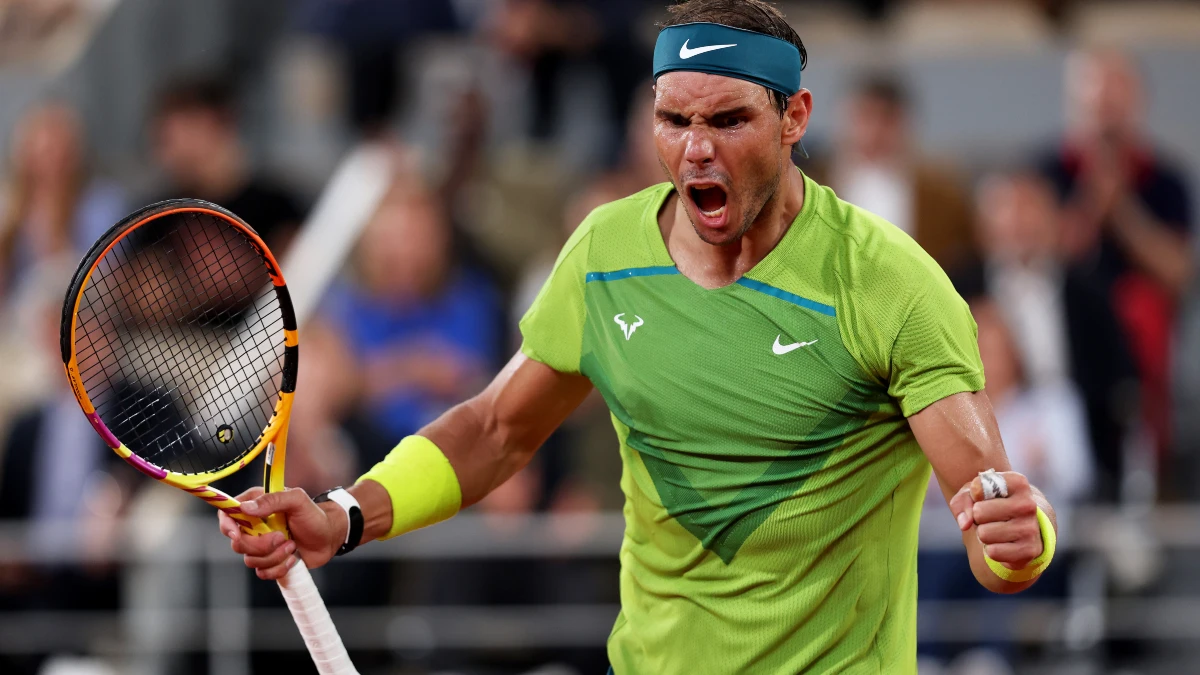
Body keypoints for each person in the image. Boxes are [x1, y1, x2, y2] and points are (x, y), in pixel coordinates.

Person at [220, 2, 1059, 673]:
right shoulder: (604, 248)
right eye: (673, 120)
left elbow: (991, 511)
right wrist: (344, 513)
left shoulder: (891, 283)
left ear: (794, 116)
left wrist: (1024, 542)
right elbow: (495, 428)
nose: (695, 150)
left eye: (728, 120)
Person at [1039, 48, 1193, 466]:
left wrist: (1122, 210)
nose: (1106, 108)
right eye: (1096, 95)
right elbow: (1048, 255)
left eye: (1117, 94)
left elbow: (1177, 271)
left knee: (1141, 309)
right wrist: (1093, 199)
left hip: (1137, 327)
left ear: (1138, 100)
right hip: (1062, 314)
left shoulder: (1165, 179)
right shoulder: (1048, 169)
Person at [950, 168, 1138, 500]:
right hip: (980, 443)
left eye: (1032, 209)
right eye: (1009, 210)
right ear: (985, 225)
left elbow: (1117, 383)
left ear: (1056, 219)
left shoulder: (1090, 296)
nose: (1021, 223)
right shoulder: (956, 290)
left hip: (1075, 457)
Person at [809, 74, 975, 270]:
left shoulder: (944, 193)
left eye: (886, 119)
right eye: (865, 117)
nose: (874, 132)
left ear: (905, 123)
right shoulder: (811, 185)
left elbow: (963, 259)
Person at [149, 75, 306, 252]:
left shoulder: (277, 208)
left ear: (221, 125)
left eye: (184, 135)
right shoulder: (157, 219)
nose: (166, 156)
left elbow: (299, 269)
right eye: (163, 142)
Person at [0, 101, 125, 298]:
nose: (52, 164)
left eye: (61, 153)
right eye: (43, 153)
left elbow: (108, 275)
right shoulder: (9, 207)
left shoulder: (102, 202)